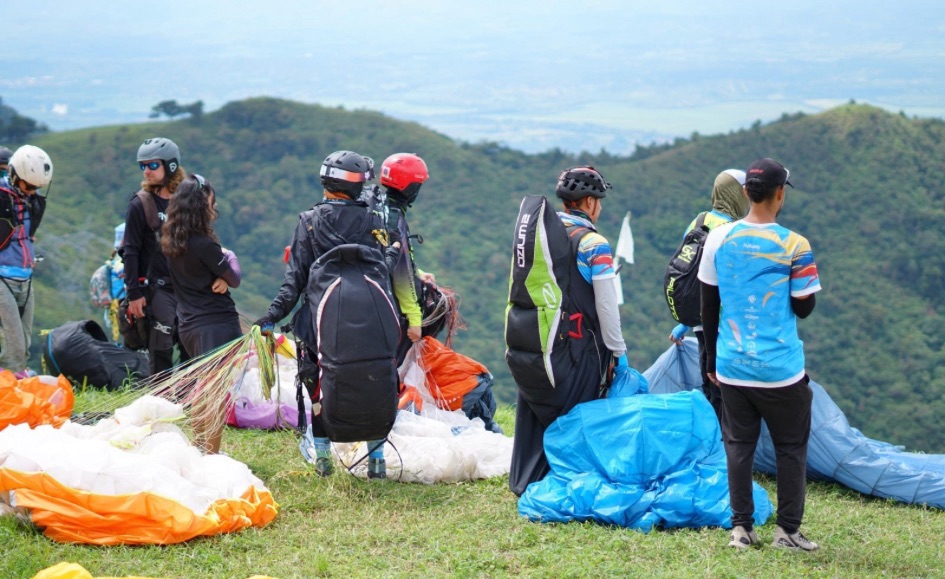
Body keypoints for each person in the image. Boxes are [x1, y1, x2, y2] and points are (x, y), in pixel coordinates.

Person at [698, 158, 821, 551]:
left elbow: (707, 306)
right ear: (780, 194)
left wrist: (711, 361)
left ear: (746, 193)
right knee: (790, 448)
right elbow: (804, 307)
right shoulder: (795, 244)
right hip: (781, 370)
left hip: (732, 365)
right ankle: (787, 532)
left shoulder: (718, 238)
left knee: (738, 446)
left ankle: (741, 530)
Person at [255, 150, 393, 479]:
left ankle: (323, 462)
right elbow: (385, 271)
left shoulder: (310, 222)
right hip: (372, 323)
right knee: (374, 383)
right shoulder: (375, 221)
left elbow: (294, 283)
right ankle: (377, 461)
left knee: (317, 386)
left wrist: (270, 318)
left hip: (320, 324)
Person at [508, 166, 628, 496]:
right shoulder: (594, 244)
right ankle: (572, 482)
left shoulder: (541, 236)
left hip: (537, 343)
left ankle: (527, 481)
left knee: (539, 407)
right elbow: (607, 308)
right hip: (577, 350)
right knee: (579, 416)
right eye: (598, 201)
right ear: (589, 202)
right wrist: (618, 353)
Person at [162, 174, 241, 454]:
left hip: (188, 325)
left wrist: (219, 274)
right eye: (211, 202)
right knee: (216, 392)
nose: (213, 207)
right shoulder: (205, 245)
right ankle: (212, 455)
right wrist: (229, 258)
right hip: (216, 324)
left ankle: (198, 449)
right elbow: (234, 278)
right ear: (200, 205)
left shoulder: (172, 242)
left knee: (201, 387)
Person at [668, 168, 748, 420]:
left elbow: (688, 272)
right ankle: (726, 442)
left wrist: (685, 322)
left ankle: (714, 440)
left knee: (710, 390)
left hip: (702, 324)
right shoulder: (735, 231)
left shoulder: (699, 220)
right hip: (727, 328)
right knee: (729, 396)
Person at [122, 137, 190, 374]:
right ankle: (161, 396)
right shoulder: (141, 204)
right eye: (143, 166)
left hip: (188, 287)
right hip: (157, 288)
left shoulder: (187, 201)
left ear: (170, 165)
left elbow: (204, 241)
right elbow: (130, 250)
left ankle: (191, 396)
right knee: (160, 351)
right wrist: (134, 293)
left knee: (191, 350)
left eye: (152, 165)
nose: (146, 171)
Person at [0, 145, 52, 378]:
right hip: (2, 277)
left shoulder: (33, 202)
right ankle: (11, 388)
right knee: (13, 343)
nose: (32, 191)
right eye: (28, 186)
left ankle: (14, 382)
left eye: (36, 187)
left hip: (25, 276)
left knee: (24, 339)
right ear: (14, 176)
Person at [379, 152, 435, 363]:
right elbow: (401, 274)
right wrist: (414, 319)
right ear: (410, 188)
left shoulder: (376, 205)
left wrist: (418, 273)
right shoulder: (395, 220)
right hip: (386, 295)